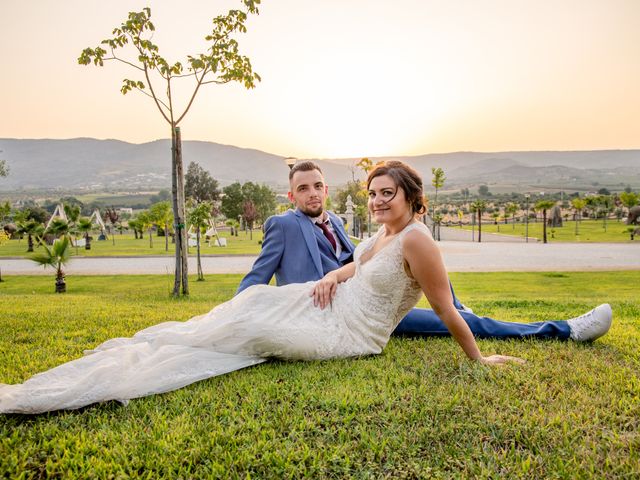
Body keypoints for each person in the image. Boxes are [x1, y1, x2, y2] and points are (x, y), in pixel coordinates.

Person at [2, 161, 529, 415]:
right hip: (329, 300)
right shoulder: (386, 231)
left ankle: (149, 359)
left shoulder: (418, 241)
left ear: (412, 196)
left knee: (251, 326)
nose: (375, 202)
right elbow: (356, 265)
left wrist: (477, 361)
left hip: (352, 334)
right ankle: (163, 342)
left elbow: (445, 309)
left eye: (386, 194)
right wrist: (328, 276)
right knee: (253, 301)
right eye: (371, 194)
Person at [238, 161, 612, 342]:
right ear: (292, 196)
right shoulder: (283, 225)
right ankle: (565, 331)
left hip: (369, 296)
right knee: (456, 322)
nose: (312, 193)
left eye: (318, 185)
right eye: (303, 189)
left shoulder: (335, 221)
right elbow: (257, 276)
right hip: (336, 315)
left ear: (326, 188)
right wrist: (241, 312)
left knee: (449, 303)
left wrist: (340, 272)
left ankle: (463, 311)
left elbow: (361, 262)